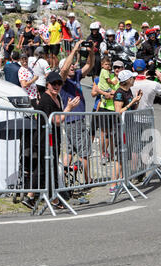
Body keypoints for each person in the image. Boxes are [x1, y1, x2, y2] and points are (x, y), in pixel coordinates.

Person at [22, 72, 80, 210]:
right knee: (48, 168)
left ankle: (33, 197)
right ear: (47, 84)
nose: (56, 86)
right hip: (44, 139)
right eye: (53, 83)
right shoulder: (46, 100)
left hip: (53, 138)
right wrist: (69, 108)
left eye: (59, 83)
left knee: (45, 168)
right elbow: (57, 120)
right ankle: (50, 199)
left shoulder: (57, 97)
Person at [59, 40, 95, 185]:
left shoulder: (77, 76)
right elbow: (64, 69)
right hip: (74, 120)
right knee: (84, 153)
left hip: (73, 121)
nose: (73, 66)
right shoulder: (61, 81)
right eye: (70, 65)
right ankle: (87, 180)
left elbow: (89, 65)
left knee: (69, 152)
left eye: (74, 64)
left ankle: (64, 179)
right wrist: (73, 51)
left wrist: (91, 51)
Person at [110, 69, 142, 194]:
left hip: (129, 126)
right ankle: (113, 185)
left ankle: (123, 181)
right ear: (127, 80)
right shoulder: (119, 93)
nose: (134, 80)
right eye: (132, 78)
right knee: (120, 157)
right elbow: (118, 112)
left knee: (126, 156)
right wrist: (131, 103)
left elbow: (133, 108)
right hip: (120, 127)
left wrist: (137, 100)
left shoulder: (128, 91)